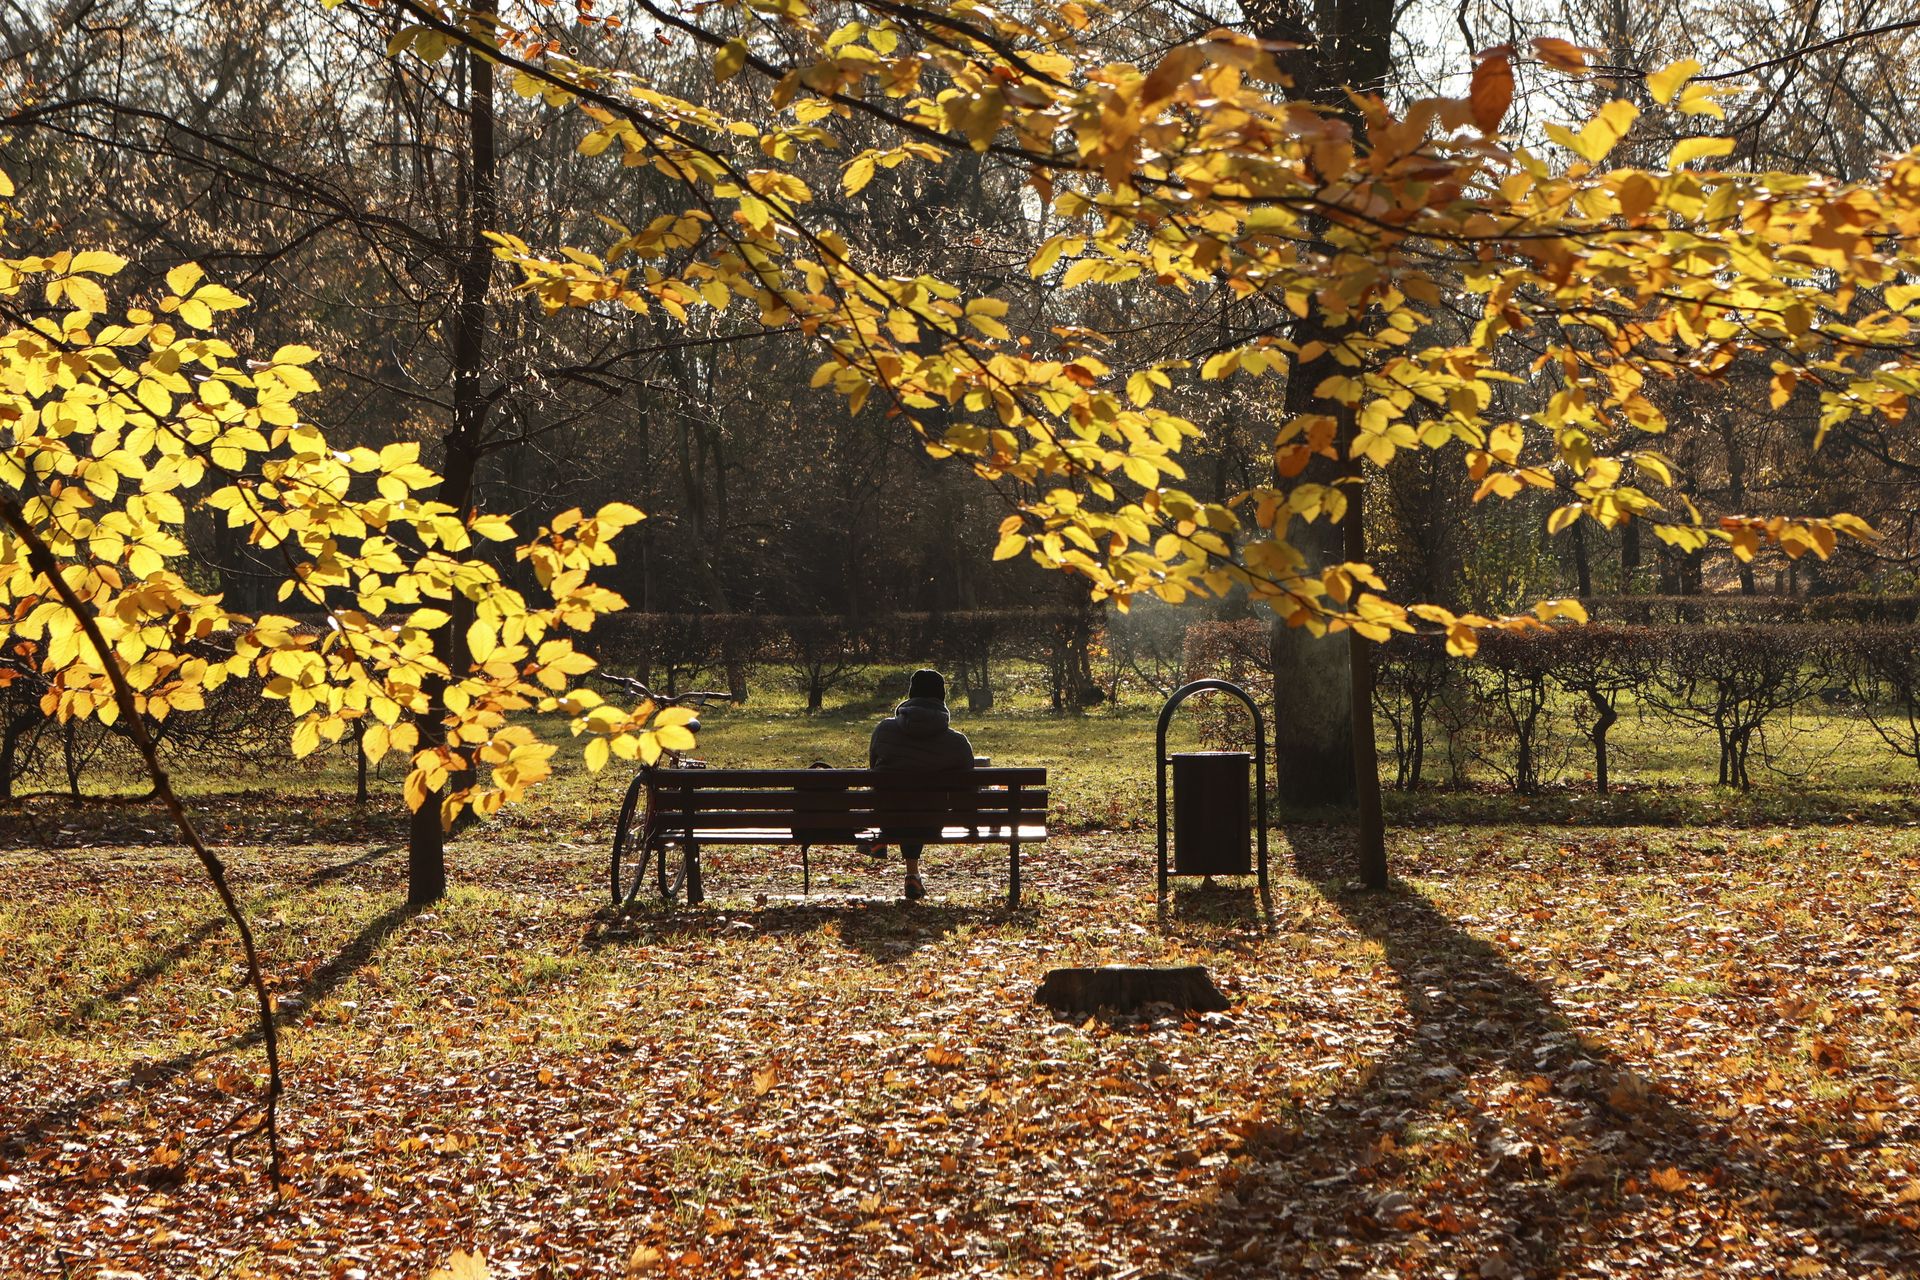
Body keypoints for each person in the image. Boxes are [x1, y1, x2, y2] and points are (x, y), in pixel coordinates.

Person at [868, 669, 973, 900]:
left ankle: (889, 851)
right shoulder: (957, 743)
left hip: (888, 821)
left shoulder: (884, 730)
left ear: (911, 695)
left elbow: (873, 771)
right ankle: (912, 875)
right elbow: (969, 792)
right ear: (942, 697)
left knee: (901, 803)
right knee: (920, 807)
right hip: (932, 822)